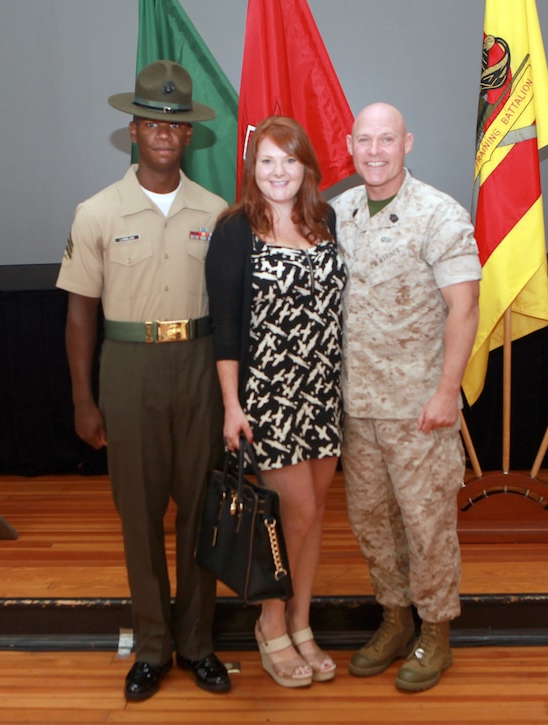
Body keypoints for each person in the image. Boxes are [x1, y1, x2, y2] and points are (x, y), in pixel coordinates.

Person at [56, 60, 231, 702]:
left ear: (189, 135)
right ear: (132, 130)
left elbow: (233, 311)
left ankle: (198, 643)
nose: (163, 130)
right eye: (152, 120)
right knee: (139, 515)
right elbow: (79, 311)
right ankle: (153, 645)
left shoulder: (217, 213)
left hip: (200, 367)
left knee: (199, 510)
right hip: (127, 371)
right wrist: (84, 397)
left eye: (175, 122)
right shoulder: (96, 212)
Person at [331, 102, 481, 693]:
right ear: (349, 144)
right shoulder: (337, 213)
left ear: (407, 143)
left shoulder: (438, 214)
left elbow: (464, 308)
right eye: (364, 140)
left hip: (420, 408)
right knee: (372, 523)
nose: (374, 151)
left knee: (426, 524)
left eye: (386, 139)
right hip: (357, 405)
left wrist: (448, 391)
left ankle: (436, 633)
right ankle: (394, 620)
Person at [206, 116, 345, 689]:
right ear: (252, 168)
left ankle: (301, 621)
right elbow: (226, 329)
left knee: (312, 519)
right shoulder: (235, 228)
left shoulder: (325, 218)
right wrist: (232, 406)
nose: (278, 171)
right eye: (267, 160)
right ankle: (269, 623)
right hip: (270, 397)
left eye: (289, 160)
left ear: (306, 166)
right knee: (294, 514)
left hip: (324, 393)